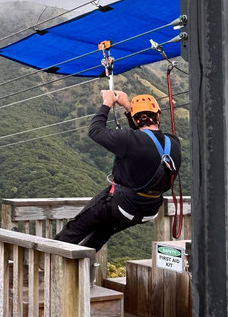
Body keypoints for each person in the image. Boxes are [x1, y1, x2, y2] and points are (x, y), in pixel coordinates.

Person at [56, 90, 182, 251]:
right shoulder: (174, 143)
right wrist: (129, 108)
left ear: (135, 120)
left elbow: (95, 131)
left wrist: (107, 103)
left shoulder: (129, 139)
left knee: (75, 229)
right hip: (148, 209)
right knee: (103, 231)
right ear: (158, 115)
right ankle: (84, 263)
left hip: (122, 204)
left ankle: (51, 261)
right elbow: (146, 139)